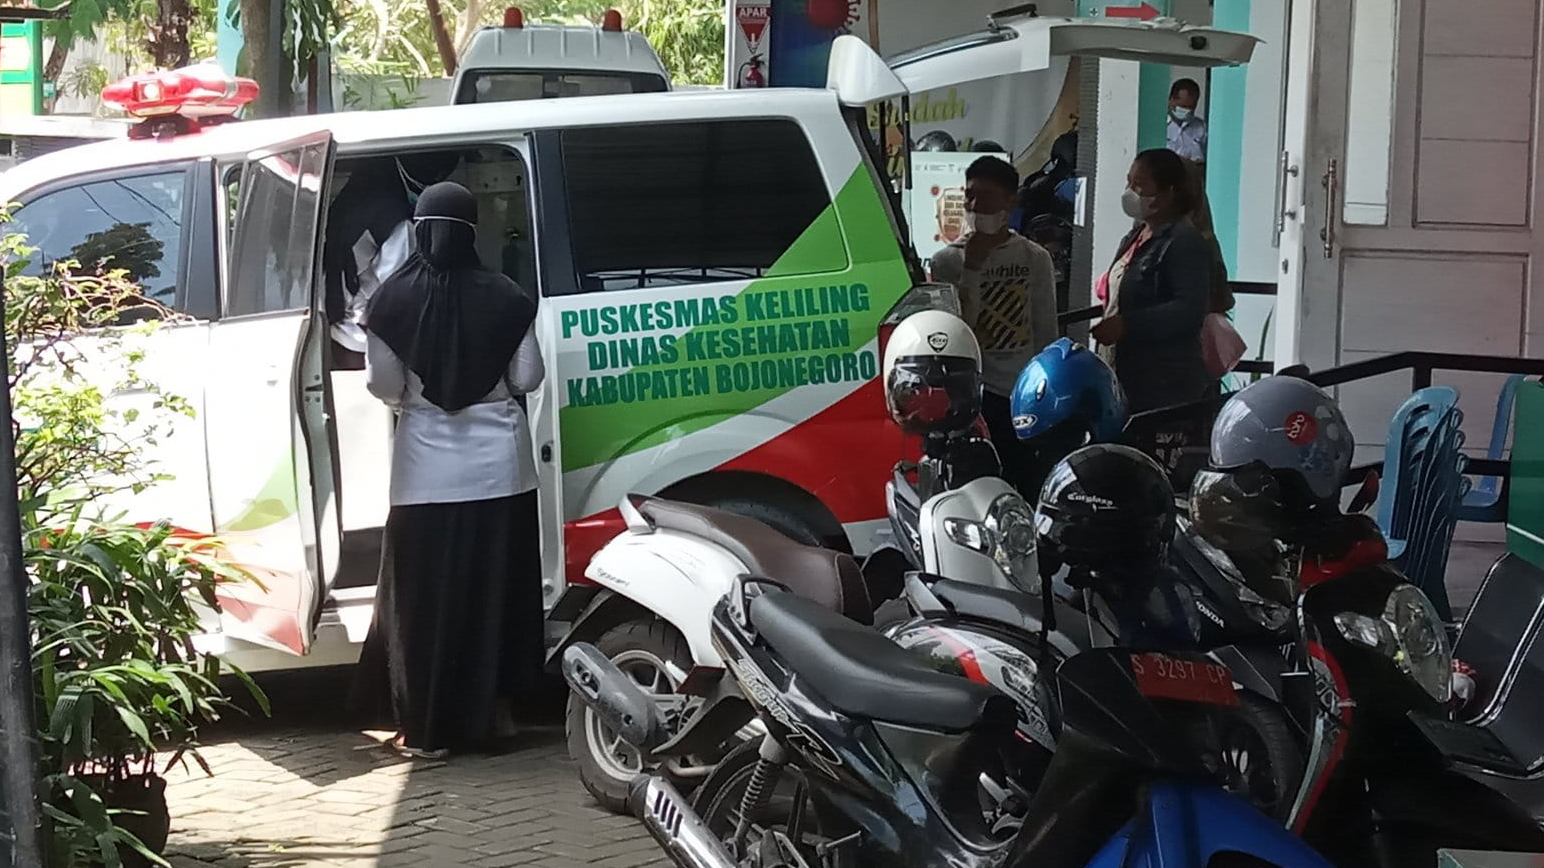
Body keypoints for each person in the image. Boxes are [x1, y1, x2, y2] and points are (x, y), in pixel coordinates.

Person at [352, 181, 544, 758]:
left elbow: (383, 384)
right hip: (502, 472)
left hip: (424, 473)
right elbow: (528, 376)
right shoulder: (508, 296)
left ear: (419, 229)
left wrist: (414, 400)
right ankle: (499, 716)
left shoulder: (390, 303)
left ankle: (426, 728)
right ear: (471, 231)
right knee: (495, 593)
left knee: (426, 600)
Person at [930, 156, 1058, 494]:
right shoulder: (947, 261)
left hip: (1020, 392)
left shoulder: (1033, 257)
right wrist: (972, 266)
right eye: (969, 196)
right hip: (972, 394)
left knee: (1025, 481)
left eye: (985, 197)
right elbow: (957, 331)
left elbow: (1045, 327)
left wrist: (1043, 390)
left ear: (1010, 201)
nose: (975, 206)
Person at [1090, 148, 1212, 413]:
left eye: (1139, 185)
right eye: (1129, 182)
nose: (1130, 191)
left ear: (1167, 193)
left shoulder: (1183, 241)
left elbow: (1189, 309)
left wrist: (1127, 325)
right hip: (1121, 372)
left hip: (1161, 382)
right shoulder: (1133, 237)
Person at [323, 152, 461, 369]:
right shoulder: (397, 221)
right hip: (373, 342)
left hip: (340, 334)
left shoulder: (345, 204)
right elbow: (403, 293)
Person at [1166, 78, 1208, 167]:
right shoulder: (1159, 126)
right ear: (1171, 100)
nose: (1187, 110)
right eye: (1183, 106)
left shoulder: (1201, 127)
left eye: (1191, 107)